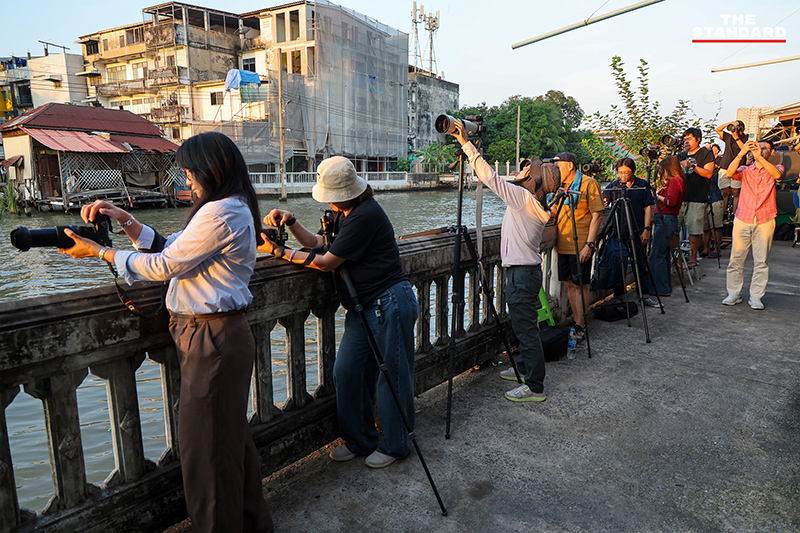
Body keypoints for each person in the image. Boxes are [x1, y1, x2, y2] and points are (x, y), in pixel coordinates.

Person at [58, 132, 274, 532]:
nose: (187, 180)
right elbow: (170, 247)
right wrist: (126, 221)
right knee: (228, 442)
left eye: (191, 173)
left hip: (212, 339)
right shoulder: (231, 206)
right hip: (218, 336)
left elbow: (163, 266)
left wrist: (99, 252)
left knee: (205, 452)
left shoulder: (219, 212)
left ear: (214, 170)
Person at [258, 156, 419, 469]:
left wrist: (279, 252)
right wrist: (291, 222)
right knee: (346, 372)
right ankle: (360, 440)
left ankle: (397, 445)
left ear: (344, 193)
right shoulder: (344, 213)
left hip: (389, 303)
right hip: (362, 307)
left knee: (392, 378)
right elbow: (320, 244)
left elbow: (327, 261)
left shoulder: (365, 215)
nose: (328, 200)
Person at [449, 120, 555, 402]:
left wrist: (466, 145)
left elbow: (492, 179)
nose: (521, 170)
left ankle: (534, 387)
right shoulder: (533, 202)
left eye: (527, 170)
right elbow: (500, 182)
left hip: (522, 274)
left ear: (534, 181)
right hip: (525, 272)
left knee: (526, 329)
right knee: (522, 324)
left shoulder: (522, 198)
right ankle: (523, 367)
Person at [722, 139, 784, 310]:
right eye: (757, 148)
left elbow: (777, 176)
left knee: (761, 261)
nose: (760, 150)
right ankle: (733, 293)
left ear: (771, 152)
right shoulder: (746, 170)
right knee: (736, 259)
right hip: (743, 217)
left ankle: (756, 296)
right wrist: (741, 153)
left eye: (765, 148)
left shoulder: (777, 167)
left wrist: (760, 158)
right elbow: (729, 173)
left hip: (765, 219)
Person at [552, 152, 603, 340]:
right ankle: (575, 320)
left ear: (570, 166)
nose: (555, 169)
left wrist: (589, 244)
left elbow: (597, 214)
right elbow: (556, 210)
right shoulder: (559, 186)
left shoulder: (588, 184)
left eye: (558, 165)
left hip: (580, 242)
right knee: (568, 283)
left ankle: (581, 323)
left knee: (580, 284)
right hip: (563, 242)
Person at [601, 157, 657, 306]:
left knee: (641, 262)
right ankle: (619, 295)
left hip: (638, 229)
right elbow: (605, 196)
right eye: (620, 172)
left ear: (633, 171)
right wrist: (604, 200)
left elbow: (648, 208)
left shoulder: (642, 185)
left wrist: (646, 229)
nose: (623, 176)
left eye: (627, 172)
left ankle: (644, 295)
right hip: (620, 230)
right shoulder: (615, 186)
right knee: (620, 263)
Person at [676, 128, 716, 268]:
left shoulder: (706, 153)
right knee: (674, 227)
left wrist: (692, 166)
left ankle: (693, 257)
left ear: (698, 139)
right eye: (684, 139)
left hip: (697, 197)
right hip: (680, 197)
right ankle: (675, 256)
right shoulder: (680, 155)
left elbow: (709, 173)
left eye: (689, 138)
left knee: (694, 229)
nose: (686, 141)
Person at [649, 156, 685, 297]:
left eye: (663, 170)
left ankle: (658, 288)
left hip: (666, 219)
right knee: (662, 255)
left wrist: (657, 196)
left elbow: (671, 201)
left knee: (656, 255)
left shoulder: (674, 181)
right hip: (667, 219)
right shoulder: (678, 181)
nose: (662, 173)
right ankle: (663, 287)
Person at [715, 120, 748, 223]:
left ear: (743, 128)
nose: (736, 128)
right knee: (724, 192)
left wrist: (736, 137)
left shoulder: (746, 138)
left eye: (738, 127)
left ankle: (734, 215)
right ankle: (723, 215)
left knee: (736, 192)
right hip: (725, 167)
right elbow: (718, 129)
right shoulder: (728, 136)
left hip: (738, 168)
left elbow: (744, 149)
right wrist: (730, 123)